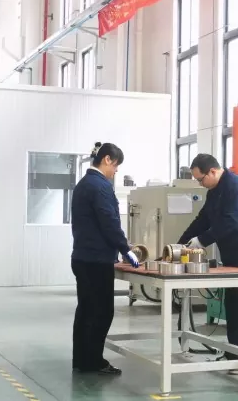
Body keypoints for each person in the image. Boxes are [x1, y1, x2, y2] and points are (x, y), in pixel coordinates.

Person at [178, 154, 238, 375]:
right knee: (233, 304)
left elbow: (230, 222)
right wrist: (181, 242)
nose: (200, 184)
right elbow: (203, 219)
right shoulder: (214, 191)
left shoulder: (235, 188)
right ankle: (234, 353)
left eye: (200, 179)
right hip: (232, 254)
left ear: (213, 171)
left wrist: (201, 241)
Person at [70, 142, 140, 375]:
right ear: (107, 159)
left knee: (86, 310)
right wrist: (125, 249)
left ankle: (81, 360)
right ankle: (94, 362)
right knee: (101, 312)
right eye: (116, 165)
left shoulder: (83, 184)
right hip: (97, 261)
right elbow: (109, 221)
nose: (116, 170)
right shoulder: (100, 186)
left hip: (82, 257)